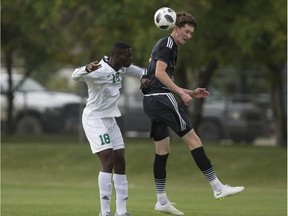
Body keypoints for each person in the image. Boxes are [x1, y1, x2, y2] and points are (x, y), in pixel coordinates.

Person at [142, 11, 244, 215]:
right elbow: (160, 74)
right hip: (161, 99)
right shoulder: (167, 45)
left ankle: (161, 200)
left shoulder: (167, 46)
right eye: (186, 31)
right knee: (194, 140)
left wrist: (190, 92)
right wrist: (181, 92)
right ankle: (217, 188)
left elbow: (154, 77)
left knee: (162, 150)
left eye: (191, 33)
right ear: (175, 28)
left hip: (151, 101)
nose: (188, 36)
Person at [72, 41, 148, 216]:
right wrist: (87, 68)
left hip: (110, 119)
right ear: (117, 56)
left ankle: (121, 211)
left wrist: (144, 77)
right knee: (107, 159)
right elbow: (75, 75)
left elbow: (143, 71)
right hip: (94, 119)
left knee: (120, 160)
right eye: (128, 55)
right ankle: (104, 212)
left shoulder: (122, 67)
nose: (131, 58)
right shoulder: (99, 69)